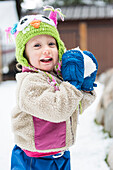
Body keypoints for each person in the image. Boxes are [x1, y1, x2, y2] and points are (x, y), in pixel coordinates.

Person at [7, 6, 98, 170]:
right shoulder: (29, 83)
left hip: (59, 154)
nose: (47, 49)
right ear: (24, 54)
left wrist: (85, 88)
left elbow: (72, 108)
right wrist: (72, 85)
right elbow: (57, 110)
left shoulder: (58, 78)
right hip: (34, 160)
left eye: (51, 43)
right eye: (37, 46)